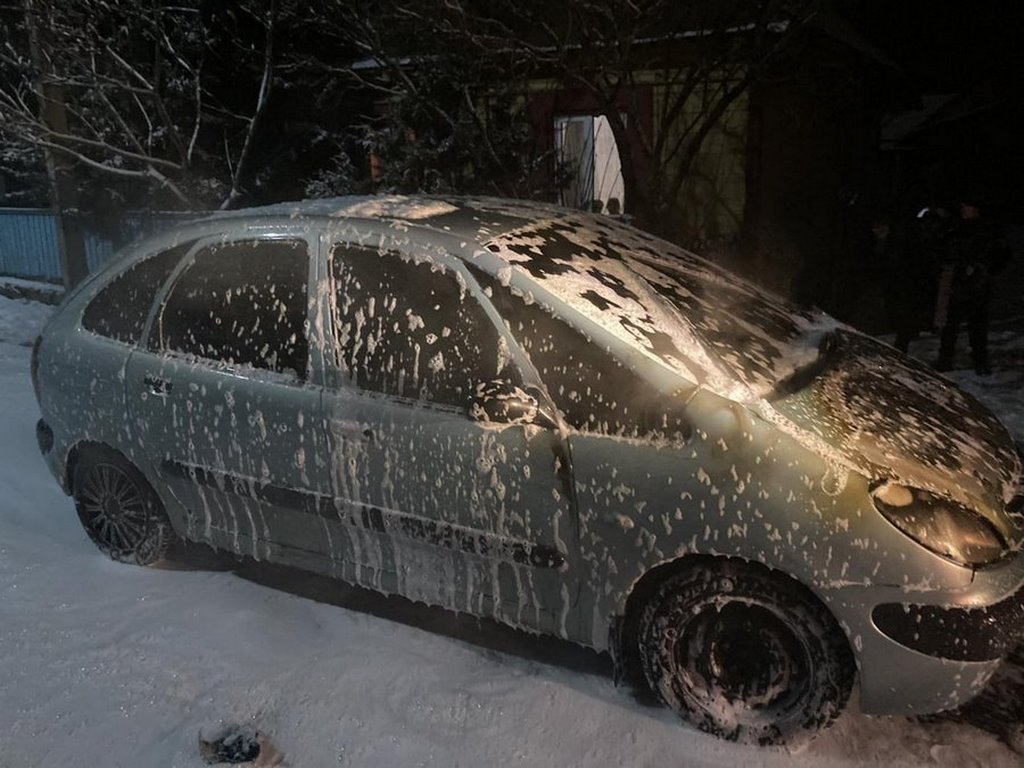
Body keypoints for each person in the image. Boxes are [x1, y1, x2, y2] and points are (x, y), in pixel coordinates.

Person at [935, 194, 1011, 375]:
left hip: (978, 285)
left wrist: (983, 269)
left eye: (966, 207)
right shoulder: (957, 229)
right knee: (951, 325)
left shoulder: (987, 230)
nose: (963, 210)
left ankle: (980, 363)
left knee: (977, 326)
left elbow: (1001, 254)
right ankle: (945, 362)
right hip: (960, 282)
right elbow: (947, 251)